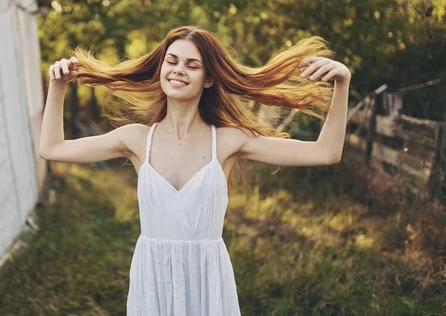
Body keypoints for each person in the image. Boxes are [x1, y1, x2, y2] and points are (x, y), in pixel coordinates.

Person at [39, 26, 351, 315]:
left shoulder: (228, 141)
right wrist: (57, 86)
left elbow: (325, 152)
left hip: (208, 280)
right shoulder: (135, 139)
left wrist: (342, 82)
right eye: (171, 61)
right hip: (153, 280)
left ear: (209, 79)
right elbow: (52, 149)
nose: (178, 70)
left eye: (192, 65)